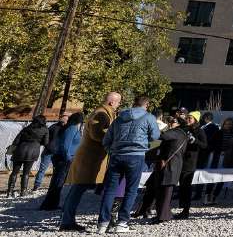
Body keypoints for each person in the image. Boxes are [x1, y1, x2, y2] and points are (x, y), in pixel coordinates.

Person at [98, 94, 160, 233]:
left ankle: (103, 223)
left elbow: (106, 140)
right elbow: (155, 136)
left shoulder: (119, 117)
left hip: (116, 155)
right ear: (147, 104)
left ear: (134, 103)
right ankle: (122, 222)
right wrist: (145, 142)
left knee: (110, 190)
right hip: (136, 155)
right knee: (131, 190)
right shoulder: (149, 117)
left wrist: (112, 150)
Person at [60, 91, 120, 232]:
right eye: (118, 102)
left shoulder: (104, 112)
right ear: (112, 102)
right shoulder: (101, 113)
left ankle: (67, 220)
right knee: (78, 188)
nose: (118, 105)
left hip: (93, 157)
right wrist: (113, 139)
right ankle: (67, 221)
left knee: (79, 189)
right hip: (89, 158)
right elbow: (96, 133)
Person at [136, 113, 190, 224]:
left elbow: (161, 136)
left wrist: (159, 127)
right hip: (169, 165)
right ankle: (161, 214)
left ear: (179, 124)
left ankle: (162, 217)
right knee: (161, 191)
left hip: (170, 165)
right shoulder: (180, 133)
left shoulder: (176, 133)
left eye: (173, 122)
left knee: (165, 192)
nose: (170, 123)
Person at [40, 112, 83, 211]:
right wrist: (68, 158)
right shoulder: (72, 129)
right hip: (64, 159)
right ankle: (50, 204)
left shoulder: (72, 128)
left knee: (58, 181)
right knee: (58, 182)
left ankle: (51, 203)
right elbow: (65, 145)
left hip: (64, 158)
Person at [173, 110, 208, 220]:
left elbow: (205, 145)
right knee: (180, 185)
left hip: (190, 162)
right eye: (187, 117)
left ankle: (185, 210)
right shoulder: (185, 129)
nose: (188, 119)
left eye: (190, 118)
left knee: (186, 186)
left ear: (196, 120)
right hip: (180, 160)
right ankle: (180, 207)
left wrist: (194, 141)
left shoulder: (200, 131)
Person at [7, 114, 50, 197]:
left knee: (14, 172)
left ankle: (9, 192)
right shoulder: (45, 130)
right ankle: (23, 192)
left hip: (20, 151)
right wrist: (37, 142)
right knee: (26, 173)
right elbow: (46, 143)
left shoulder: (27, 128)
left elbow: (16, 140)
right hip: (33, 152)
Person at [204, 117, 233, 204]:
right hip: (217, 156)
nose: (228, 125)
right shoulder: (218, 133)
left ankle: (215, 196)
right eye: (226, 124)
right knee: (213, 176)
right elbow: (211, 144)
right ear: (223, 124)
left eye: (230, 124)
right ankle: (207, 196)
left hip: (228, 158)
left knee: (222, 178)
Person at [35, 114, 69, 191]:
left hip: (51, 150)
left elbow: (46, 138)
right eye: (64, 120)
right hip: (53, 151)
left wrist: (46, 145)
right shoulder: (64, 128)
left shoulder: (53, 126)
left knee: (44, 169)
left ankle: (38, 186)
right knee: (47, 169)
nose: (64, 122)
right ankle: (38, 186)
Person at [194, 112, 220, 200]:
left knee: (202, 172)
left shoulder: (213, 127)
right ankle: (196, 191)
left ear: (206, 118)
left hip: (206, 153)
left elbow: (210, 140)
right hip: (198, 152)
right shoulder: (201, 126)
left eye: (203, 118)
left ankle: (199, 193)